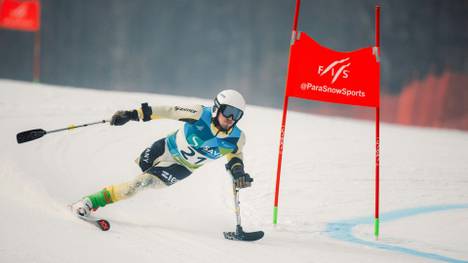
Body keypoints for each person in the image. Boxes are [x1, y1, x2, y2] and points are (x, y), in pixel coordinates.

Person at [71, 89, 253, 217]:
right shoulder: (199, 114)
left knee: (138, 185)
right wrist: (132, 114)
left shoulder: (236, 138)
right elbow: (168, 111)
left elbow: (235, 155)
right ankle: (115, 195)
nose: (231, 118)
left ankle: (90, 202)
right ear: (216, 108)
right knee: (136, 170)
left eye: (237, 115)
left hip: (181, 167)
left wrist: (238, 171)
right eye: (228, 111)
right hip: (164, 148)